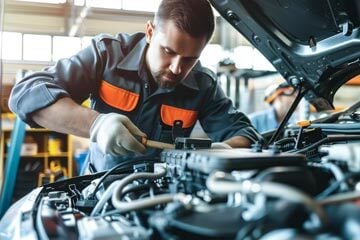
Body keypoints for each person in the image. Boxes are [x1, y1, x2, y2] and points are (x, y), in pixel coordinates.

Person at [9, 0, 262, 173]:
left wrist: (225, 149)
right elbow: (26, 93)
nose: (176, 68)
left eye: (189, 59)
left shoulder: (203, 85)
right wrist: (97, 125)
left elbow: (247, 134)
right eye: (168, 51)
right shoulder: (107, 56)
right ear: (150, 32)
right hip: (98, 191)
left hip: (163, 196)